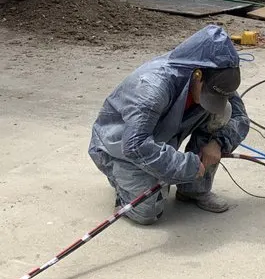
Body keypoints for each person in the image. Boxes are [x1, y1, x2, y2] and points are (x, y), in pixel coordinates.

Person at [89, 25, 250, 225]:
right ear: (197, 74)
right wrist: (183, 166)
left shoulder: (217, 72)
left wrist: (218, 143)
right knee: (147, 213)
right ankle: (122, 186)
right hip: (119, 148)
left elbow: (240, 118)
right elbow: (135, 145)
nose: (212, 99)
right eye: (209, 94)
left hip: (158, 136)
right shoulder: (152, 87)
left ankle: (193, 189)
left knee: (223, 112)